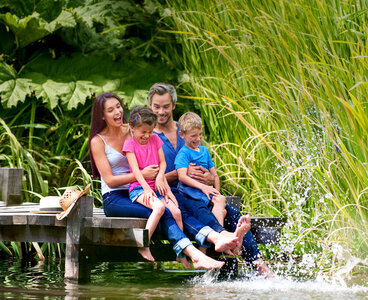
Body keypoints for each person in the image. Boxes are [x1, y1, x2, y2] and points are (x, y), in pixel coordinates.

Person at [89, 92, 242, 270]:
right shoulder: (98, 141)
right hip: (116, 197)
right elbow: (110, 180)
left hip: (145, 187)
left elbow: (154, 154)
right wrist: (144, 175)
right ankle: (194, 252)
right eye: (110, 110)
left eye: (118, 107)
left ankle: (215, 238)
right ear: (102, 115)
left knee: (176, 209)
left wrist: (160, 177)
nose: (117, 112)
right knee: (163, 212)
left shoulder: (134, 129)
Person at [148, 83, 274, 277]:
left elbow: (206, 165)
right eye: (156, 106)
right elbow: (149, 177)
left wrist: (209, 177)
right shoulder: (147, 137)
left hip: (197, 190)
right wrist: (181, 173)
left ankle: (260, 267)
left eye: (166, 106)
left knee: (232, 213)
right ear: (149, 106)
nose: (161, 111)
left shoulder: (188, 129)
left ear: (173, 105)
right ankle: (222, 245)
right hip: (170, 195)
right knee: (200, 212)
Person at [123, 106, 183, 261]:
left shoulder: (155, 139)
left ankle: (180, 251)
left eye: (150, 131)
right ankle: (143, 245)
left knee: (176, 212)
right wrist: (146, 189)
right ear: (132, 128)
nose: (147, 135)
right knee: (159, 207)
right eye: (143, 132)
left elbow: (162, 163)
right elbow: (136, 171)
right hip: (138, 188)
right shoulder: (130, 145)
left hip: (156, 186)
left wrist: (159, 177)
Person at [175, 112, 226, 226]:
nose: (198, 139)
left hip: (206, 193)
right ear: (182, 135)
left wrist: (216, 192)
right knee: (221, 207)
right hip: (191, 194)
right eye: (193, 136)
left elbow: (215, 176)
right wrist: (203, 187)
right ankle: (220, 235)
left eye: (200, 134)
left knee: (222, 205)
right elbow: (182, 176)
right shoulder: (183, 153)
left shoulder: (204, 151)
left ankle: (214, 240)